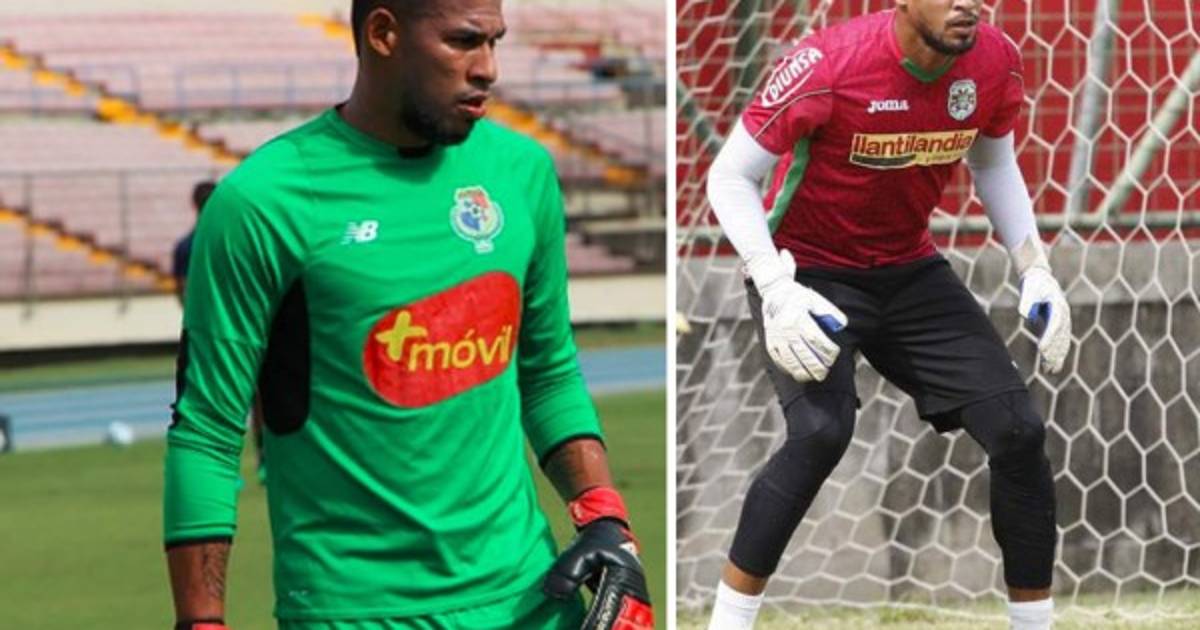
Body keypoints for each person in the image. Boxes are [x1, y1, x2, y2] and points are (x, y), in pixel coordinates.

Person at [163, 1, 653, 629]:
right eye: (463, 41)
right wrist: (201, 620)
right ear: (383, 33)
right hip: (356, 614)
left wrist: (607, 520)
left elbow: (549, 372)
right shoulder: (262, 201)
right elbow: (206, 431)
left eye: (495, 42)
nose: (488, 68)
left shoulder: (521, 173)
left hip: (535, 601)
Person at [704, 2, 1070, 629]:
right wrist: (774, 285)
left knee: (1019, 432)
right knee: (821, 433)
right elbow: (730, 175)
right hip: (805, 273)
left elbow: (992, 161)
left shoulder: (996, 62)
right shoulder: (825, 64)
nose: (966, 4)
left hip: (908, 269)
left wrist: (1034, 265)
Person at [171, 180, 216, 304]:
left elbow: (181, 290)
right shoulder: (231, 243)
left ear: (194, 203)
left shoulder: (184, 246)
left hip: (198, 312)